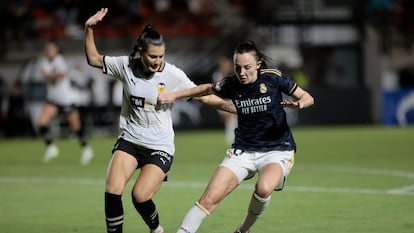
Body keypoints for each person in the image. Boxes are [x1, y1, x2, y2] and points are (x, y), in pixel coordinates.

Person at [84, 8, 235, 233]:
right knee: (112, 190)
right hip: (130, 140)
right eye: (152, 56)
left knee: (139, 196)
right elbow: (94, 59)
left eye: (161, 56)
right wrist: (89, 28)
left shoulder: (172, 74)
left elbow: (204, 96)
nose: (157, 62)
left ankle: (156, 229)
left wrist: (235, 107)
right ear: (140, 52)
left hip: (159, 145)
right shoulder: (126, 66)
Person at [158, 40, 315, 233]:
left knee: (264, 188)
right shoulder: (231, 83)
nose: (242, 73)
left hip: (277, 149)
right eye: (237, 68)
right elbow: (206, 89)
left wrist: (300, 104)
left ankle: (242, 230)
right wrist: (175, 95)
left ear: (257, 64)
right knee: (209, 198)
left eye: (247, 67)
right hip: (243, 151)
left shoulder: (273, 78)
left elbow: (308, 97)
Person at [38, 40, 93, 165]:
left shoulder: (59, 60)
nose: (48, 51)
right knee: (41, 122)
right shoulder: (45, 62)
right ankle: (51, 147)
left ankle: (86, 148)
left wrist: (47, 75)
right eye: (47, 49)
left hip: (65, 99)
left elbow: (62, 75)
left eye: (51, 49)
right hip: (53, 99)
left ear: (56, 50)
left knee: (75, 127)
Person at [211, 54, 238, 144]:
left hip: (231, 99)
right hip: (221, 99)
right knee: (226, 119)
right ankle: (231, 136)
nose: (224, 66)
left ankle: (231, 138)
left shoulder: (233, 75)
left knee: (231, 117)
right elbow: (215, 88)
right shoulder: (217, 75)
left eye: (226, 64)